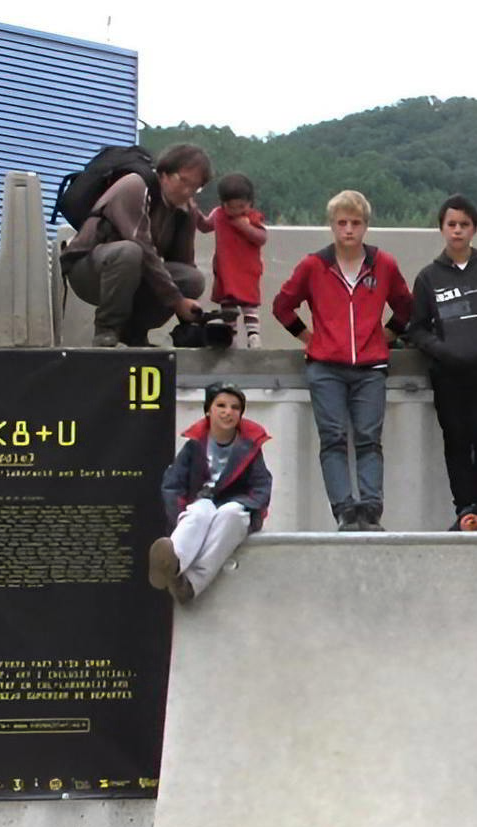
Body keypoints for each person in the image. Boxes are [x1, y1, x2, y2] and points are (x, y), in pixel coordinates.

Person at [272, 189, 414, 531]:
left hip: (370, 368)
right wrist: (309, 338)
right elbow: (282, 306)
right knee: (333, 438)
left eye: (356, 223)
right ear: (331, 226)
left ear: (366, 226)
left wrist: (387, 335)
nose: (348, 229)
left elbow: (406, 306)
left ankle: (371, 509)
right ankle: (344, 510)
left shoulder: (383, 264)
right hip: (326, 368)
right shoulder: (314, 265)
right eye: (342, 223)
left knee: (368, 438)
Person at [407, 195, 477, 528]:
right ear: (442, 228)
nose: (457, 231)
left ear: (475, 229)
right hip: (449, 374)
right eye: (451, 224)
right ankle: (464, 509)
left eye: (464, 225)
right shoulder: (429, 277)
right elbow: (417, 328)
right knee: (456, 438)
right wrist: (443, 350)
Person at [61, 143, 210, 347]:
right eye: (182, 180)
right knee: (130, 251)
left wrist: (188, 315)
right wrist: (176, 300)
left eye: (195, 187)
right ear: (165, 173)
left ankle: (134, 332)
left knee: (191, 279)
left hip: (134, 274)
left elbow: (183, 262)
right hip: (89, 269)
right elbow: (141, 244)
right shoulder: (136, 185)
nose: (187, 191)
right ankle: (107, 329)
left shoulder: (185, 212)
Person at [149, 383, 270, 604]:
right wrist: (179, 512)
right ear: (208, 410)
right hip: (202, 504)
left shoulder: (250, 446)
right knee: (199, 510)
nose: (228, 412)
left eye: (235, 407)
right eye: (221, 405)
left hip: (237, 509)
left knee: (229, 514)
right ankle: (173, 563)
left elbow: (262, 487)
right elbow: (173, 485)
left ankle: (191, 585)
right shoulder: (194, 446)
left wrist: (246, 505)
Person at [207, 173, 267, 348]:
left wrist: (245, 227)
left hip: (247, 269)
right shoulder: (218, 215)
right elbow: (204, 226)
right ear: (222, 204)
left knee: (249, 304)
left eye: (241, 206)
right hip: (225, 270)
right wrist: (193, 211)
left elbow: (262, 237)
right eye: (231, 207)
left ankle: (253, 334)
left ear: (250, 203)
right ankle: (230, 336)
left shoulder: (252, 217)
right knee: (228, 305)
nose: (236, 212)